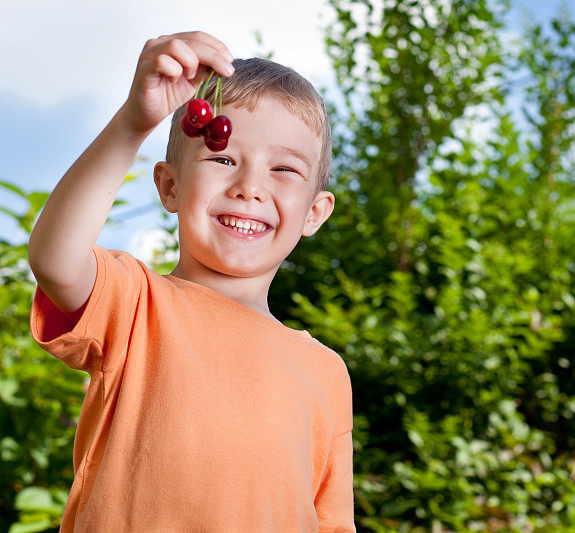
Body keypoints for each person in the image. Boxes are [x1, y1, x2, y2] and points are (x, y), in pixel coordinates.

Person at [27, 31, 355, 532]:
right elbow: (56, 259)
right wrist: (133, 123)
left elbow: (332, 522)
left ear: (314, 212)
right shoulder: (136, 304)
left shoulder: (327, 373)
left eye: (284, 168)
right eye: (222, 158)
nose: (249, 188)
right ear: (170, 185)